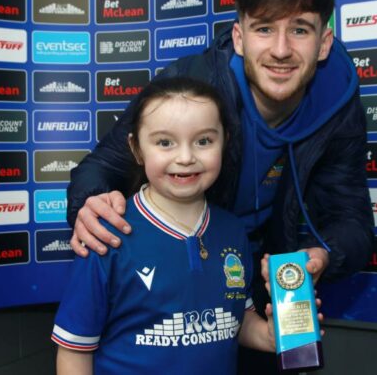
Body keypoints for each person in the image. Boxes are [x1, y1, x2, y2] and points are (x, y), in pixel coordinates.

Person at [67, 0, 374, 373]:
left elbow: (351, 218)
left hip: (264, 283)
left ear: (323, 43)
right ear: (239, 37)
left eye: (300, 29)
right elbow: (103, 165)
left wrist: (323, 256)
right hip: (180, 267)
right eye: (264, 28)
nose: (281, 49)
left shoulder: (339, 103)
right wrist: (90, 205)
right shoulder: (193, 85)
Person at [52, 77, 279, 374]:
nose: (185, 157)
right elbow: (74, 350)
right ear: (136, 148)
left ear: (225, 143)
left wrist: (268, 335)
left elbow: (234, 319)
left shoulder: (233, 230)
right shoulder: (105, 233)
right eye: (164, 142)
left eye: (204, 141)